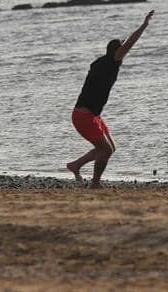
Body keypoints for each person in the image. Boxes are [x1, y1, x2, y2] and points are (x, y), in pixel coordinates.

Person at [66, 10, 154, 187]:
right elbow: (129, 44)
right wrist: (144, 26)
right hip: (84, 117)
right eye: (121, 50)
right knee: (105, 150)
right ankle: (95, 183)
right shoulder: (111, 62)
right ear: (116, 52)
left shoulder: (102, 62)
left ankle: (75, 165)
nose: (124, 54)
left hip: (92, 116)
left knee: (109, 148)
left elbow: (123, 45)